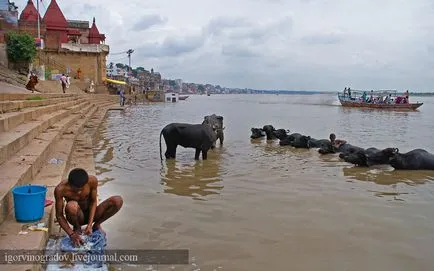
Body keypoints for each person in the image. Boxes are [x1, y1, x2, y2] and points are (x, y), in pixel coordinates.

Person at [54, 168, 123, 246]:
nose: (79, 192)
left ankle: (96, 225)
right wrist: (71, 234)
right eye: (75, 190)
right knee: (71, 206)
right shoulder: (60, 189)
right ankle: (77, 228)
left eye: (81, 189)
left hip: (92, 214)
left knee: (117, 200)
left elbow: (93, 202)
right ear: (69, 184)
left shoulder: (92, 181)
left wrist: (90, 225)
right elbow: (59, 215)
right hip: (77, 216)